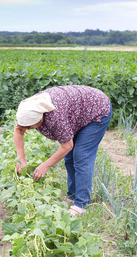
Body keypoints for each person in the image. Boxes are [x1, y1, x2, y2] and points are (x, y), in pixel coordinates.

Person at [13, 85, 112, 216]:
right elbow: (19, 130)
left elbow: (67, 146)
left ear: (39, 119)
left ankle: (81, 204)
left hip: (96, 110)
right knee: (69, 157)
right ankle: (73, 195)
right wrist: (22, 161)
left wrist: (45, 165)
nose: (29, 129)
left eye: (30, 127)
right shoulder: (29, 107)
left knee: (81, 155)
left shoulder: (54, 117)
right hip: (78, 112)